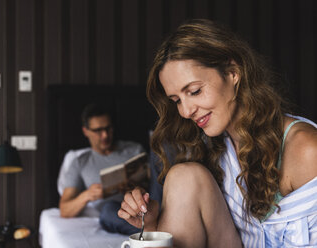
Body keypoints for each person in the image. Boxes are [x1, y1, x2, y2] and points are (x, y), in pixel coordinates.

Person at [118, 19, 317, 248]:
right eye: (176, 101)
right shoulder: (214, 148)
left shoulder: (305, 149)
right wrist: (151, 225)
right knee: (183, 176)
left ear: (233, 73)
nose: (185, 111)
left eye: (194, 91)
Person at [59, 103, 144, 235]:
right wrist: (86, 195)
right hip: (117, 211)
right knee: (108, 210)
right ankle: (154, 232)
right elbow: (64, 209)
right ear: (85, 131)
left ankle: (153, 230)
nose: (105, 135)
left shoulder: (134, 150)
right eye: (98, 130)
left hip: (146, 203)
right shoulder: (80, 162)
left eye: (108, 128)